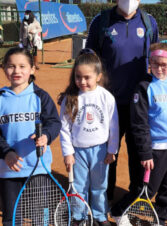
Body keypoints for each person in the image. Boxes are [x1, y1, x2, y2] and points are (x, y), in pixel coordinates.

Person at [85, 0, 159, 203]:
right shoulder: (101, 22)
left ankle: (135, 199)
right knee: (108, 153)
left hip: (139, 103)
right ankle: (104, 197)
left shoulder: (149, 23)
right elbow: (88, 59)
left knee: (138, 153)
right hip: (107, 102)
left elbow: (157, 59)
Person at [113, 41, 167, 225]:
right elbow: (138, 123)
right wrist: (145, 152)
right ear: (150, 62)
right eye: (155, 63)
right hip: (155, 150)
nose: (159, 68)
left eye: (164, 65)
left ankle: (160, 218)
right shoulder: (144, 87)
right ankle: (118, 211)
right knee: (146, 190)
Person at [0, 47, 61, 226]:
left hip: (38, 168)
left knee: (40, 218)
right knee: (11, 219)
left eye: (22, 66)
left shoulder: (41, 97)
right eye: (11, 66)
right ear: (4, 69)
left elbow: (54, 123)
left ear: (32, 69)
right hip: (8, 170)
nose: (16, 71)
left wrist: (47, 136)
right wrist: (6, 153)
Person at [58, 48, 119, 226]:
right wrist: (68, 153)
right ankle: (79, 215)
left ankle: (100, 215)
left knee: (100, 186)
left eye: (87, 77)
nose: (82, 81)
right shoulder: (70, 98)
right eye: (78, 77)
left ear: (98, 76)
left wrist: (111, 150)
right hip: (78, 151)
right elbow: (64, 129)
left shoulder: (106, 97)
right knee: (79, 186)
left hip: (100, 150)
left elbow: (114, 126)